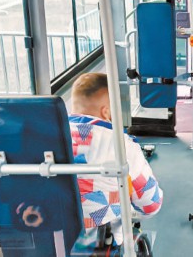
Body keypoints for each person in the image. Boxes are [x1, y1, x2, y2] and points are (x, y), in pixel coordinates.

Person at [69, 73, 163, 251]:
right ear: (105, 111)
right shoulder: (122, 146)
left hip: (47, 239)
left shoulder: (43, 140)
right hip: (98, 244)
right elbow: (151, 204)